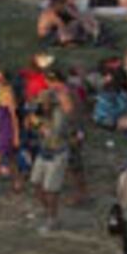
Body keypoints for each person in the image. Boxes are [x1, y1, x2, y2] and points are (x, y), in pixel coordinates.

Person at [30, 91, 70, 232]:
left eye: (44, 103)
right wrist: (34, 123)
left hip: (57, 154)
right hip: (43, 151)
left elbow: (55, 133)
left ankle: (53, 219)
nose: (42, 106)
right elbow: (33, 127)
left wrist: (40, 124)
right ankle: (47, 211)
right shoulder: (40, 112)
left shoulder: (59, 115)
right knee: (35, 182)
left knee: (51, 189)